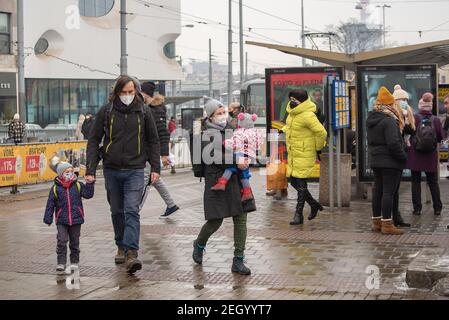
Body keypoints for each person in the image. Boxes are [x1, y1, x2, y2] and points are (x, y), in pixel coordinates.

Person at [86, 75, 161, 274]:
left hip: (135, 170)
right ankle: (121, 244)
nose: (127, 96)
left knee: (131, 210)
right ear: (116, 92)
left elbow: (153, 141)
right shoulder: (107, 111)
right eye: (123, 92)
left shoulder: (143, 111)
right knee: (117, 211)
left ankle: (131, 253)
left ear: (136, 91)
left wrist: (156, 168)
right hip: (112, 170)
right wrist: (90, 170)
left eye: (131, 92)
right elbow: (93, 140)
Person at [192, 99, 254, 275]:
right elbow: (212, 156)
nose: (223, 116)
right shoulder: (203, 133)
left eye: (224, 112)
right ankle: (199, 244)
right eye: (219, 113)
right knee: (215, 220)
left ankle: (238, 260)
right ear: (210, 116)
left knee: (241, 219)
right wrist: (236, 160)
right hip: (217, 181)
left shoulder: (233, 129)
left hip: (237, 180)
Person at [282, 89, 327, 225]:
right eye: (290, 99)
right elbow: (292, 127)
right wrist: (282, 129)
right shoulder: (292, 113)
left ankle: (298, 214)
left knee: (301, 184)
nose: (291, 102)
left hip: (304, 152)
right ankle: (313, 204)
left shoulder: (308, 115)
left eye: (294, 100)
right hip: (294, 153)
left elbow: (321, 132)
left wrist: (318, 147)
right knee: (294, 182)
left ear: (301, 100)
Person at [367, 86, 407, 235]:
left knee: (378, 191)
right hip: (390, 161)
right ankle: (387, 224)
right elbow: (393, 143)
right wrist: (403, 156)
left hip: (376, 159)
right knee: (388, 192)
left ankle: (376, 222)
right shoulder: (389, 120)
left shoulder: (371, 119)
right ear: (389, 104)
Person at [44, 156, 95, 273]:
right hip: (62, 220)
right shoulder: (55, 188)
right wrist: (48, 218)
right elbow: (50, 204)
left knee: (75, 242)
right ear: (61, 174)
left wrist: (90, 184)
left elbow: (88, 194)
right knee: (61, 241)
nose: (70, 174)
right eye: (67, 172)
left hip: (76, 219)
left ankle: (74, 262)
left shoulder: (78, 185)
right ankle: (61, 262)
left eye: (72, 172)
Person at [141, 82, 180, 218]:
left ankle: (135, 211)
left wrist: (164, 154)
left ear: (145, 94)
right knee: (155, 179)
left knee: (146, 179)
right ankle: (171, 205)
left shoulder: (156, 110)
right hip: (149, 150)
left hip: (152, 151)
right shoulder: (148, 107)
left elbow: (163, 133)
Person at [406, 92, 444, 216]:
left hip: (415, 155)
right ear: (430, 106)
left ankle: (417, 209)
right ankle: (437, 208)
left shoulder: (415, 118)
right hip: (430, 156)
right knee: (433, 181)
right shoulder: (436, 120)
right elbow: (440, 137)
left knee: (415, 182)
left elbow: (409, 133)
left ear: (420, 106)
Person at [211, 112, 263, 202]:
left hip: (240, 153)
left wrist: (225, 143)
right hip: (250, 156)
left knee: (231, 166)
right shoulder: (256, 132)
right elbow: (259, 144)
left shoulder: (239, 132)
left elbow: (233, 143)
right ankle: (247, 193)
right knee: (244, 174)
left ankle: (222, 182)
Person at [391, 84, 416, 228]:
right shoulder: (394, 115)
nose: (405, 102)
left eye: (406, 99)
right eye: (402, 100)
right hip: (395, 156)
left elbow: (413, 130)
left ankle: (396, 216)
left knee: (396, 188)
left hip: (402, 154)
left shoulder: (408, 113)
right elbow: (397, 135)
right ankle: (393, 217)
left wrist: (408, 121)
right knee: (392, 189)